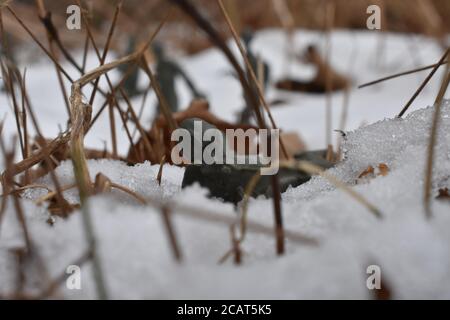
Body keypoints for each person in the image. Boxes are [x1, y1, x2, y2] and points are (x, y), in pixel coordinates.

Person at [151, 41, 204, 117]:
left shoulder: (170, 64)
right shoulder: (158, 67)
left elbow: (184, 76)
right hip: (161, 99)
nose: (157, 55)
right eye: (156, 52)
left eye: (158, 52)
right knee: (160, 120)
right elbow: (155, 84)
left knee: (173, 118)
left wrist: (194, 91)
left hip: (171, 97)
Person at [238, 29, 270, 124]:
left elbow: (264, 70)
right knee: (250, 111)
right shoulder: (248, 56)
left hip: (255, 89)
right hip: (252, 90)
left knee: (254, 112)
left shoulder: (254, 58)